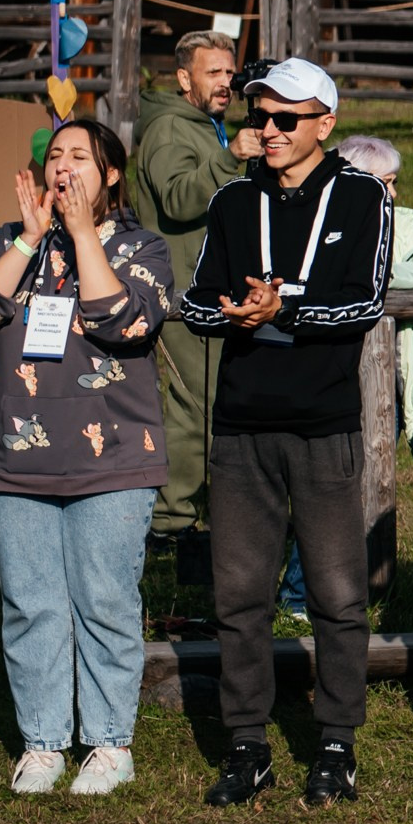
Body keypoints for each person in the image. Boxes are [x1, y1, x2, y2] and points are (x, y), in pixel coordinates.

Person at [180, 57, 392, 810]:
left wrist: (285, 314)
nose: (266, 131)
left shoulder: (364, 195)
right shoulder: (235, 201)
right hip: (241, 427)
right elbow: (196, 300)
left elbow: (365, 301)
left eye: (284, 119)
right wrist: (231, 315)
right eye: (258, 118)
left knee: (338, 595)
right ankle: (247, 744)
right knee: (239, 596)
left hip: (322, 427)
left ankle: (336, 742)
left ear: (324, 125)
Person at [0, 120, 172, 796]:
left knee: (104, 600)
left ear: (110, 176)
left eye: (81, 158)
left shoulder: (141, 247)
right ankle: (43, 743)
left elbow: (124, 320)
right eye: (54, 158)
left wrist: (78, 234)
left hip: (115, 460)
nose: (63, 168)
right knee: (31, 604)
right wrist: (25, 238)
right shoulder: (8, 242)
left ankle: (109, 745)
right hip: (16, 454)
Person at [136, 30, 263, 558]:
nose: (225, 82)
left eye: (229, 73)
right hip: (182, 294)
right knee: (193, 409)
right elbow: (179, 198)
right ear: (184, 77)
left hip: (210, 293)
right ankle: (170, 523)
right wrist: (229, 157)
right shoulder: (169, 128)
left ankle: (196, 510)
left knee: (210, 405)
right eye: (213, 73)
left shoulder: (205, 126)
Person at [335, 136, 413, 458]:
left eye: (394, 182)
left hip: (386, 378)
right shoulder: (324, 225)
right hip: (331, 376)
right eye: (385, 183)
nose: (394, 193)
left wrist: (379, 275)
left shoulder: (401, 224)